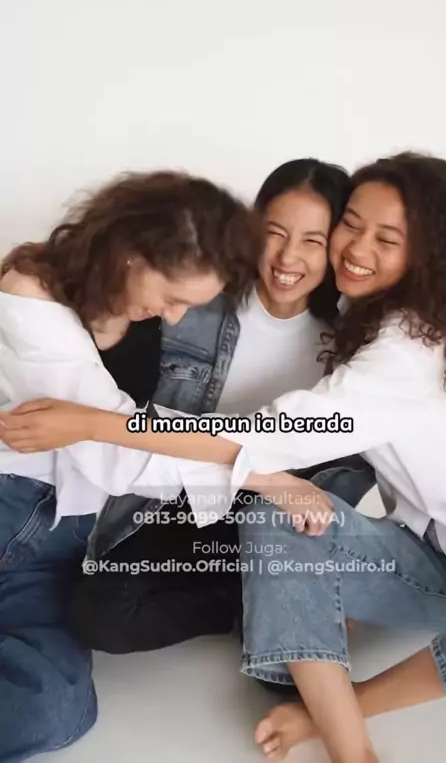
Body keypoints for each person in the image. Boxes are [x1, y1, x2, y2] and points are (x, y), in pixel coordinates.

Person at [7, 153, 446, 763]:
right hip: (411, 550)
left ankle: (332, 703)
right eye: (352, 225)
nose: (355, 248)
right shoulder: (344, 320)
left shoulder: (403, 348)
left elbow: (277, 436)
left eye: (386, 239)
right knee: (266, 523)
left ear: (429, 253)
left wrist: (96, 423)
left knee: (274, 535)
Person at [0, 168, 263, 762]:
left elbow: (131, 435)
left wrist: (253, 463)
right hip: (11, 503)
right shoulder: (29, 295)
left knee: (57, 709)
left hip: (54, 546)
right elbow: (123, 458)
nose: (174, 317)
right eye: (172, 297)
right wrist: (258, 468)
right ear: (130, 252)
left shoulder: (142, 323)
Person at [65, 157, 377, 656]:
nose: (288, 257)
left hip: (279, 510)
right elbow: (125, 411)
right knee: (100, 615)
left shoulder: (354, 343)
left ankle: (272, 598)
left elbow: (350, 460)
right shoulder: (191, 304)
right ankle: (239, 603)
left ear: (335, 248)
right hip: (180, 493)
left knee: (289, 679)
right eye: (275, 233)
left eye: (312, 241)